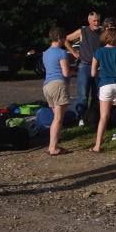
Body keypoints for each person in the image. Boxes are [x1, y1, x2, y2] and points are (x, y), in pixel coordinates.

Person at [65, 11, 102, 124]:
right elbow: (66, 39)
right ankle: (81, 117)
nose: (96, 23)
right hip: (84, 66)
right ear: (89, 21)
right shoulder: (83, 31)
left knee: (97, 94)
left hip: (99, 68)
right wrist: (73, 52)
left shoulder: (102, 32)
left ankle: (93, 117)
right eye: (94, 21)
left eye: (98, 20)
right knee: (83, 94)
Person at [42, 26, 72, 156]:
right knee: (58, 118)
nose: (65, 40)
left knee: (56, 117)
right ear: (59, 38)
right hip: (58, 84)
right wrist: (72, 71)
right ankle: (52, 147)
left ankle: (53, 145)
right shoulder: (61, 52)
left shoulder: (45, 53)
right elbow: (65, 72)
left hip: (47, 86)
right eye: (64, 38)